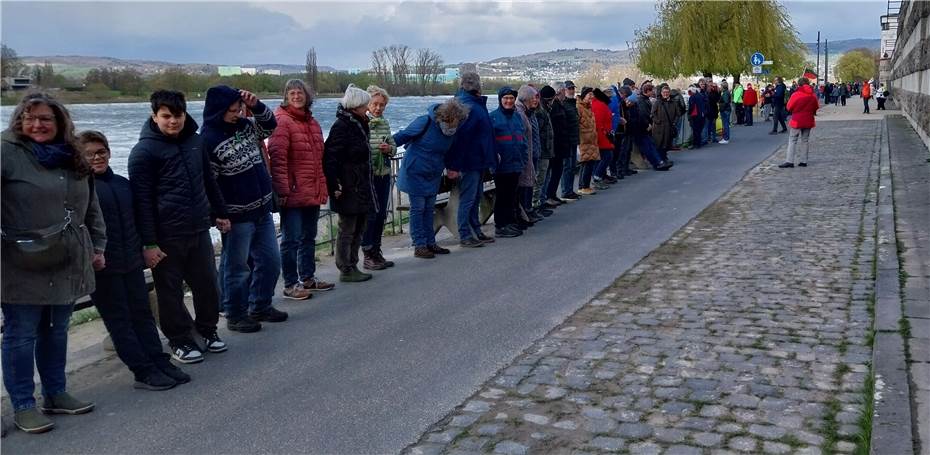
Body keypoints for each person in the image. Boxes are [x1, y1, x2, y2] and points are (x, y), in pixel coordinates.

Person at [2, 93, 104, 433]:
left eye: (45, 118)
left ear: (60, 121)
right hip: (20, 261)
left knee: (56, 330)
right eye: (29, 118)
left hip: (68, 259)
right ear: (19, 120)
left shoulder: (73, 156)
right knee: (21, 335)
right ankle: (23, 404)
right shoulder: (6, 153)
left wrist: (98, 245)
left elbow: (91, 207)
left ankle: (56, 393)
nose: (37, 125)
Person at [79, 130, 189, 391]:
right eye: (90, 154)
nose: (97, 158)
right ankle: (142, 370)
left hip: (130, 261)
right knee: (120, 321)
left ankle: (158, 360)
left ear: (109, 152)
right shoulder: (79, 189)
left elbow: (140, 220)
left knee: (142, 315)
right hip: (102, 267)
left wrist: (147, 247)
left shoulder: (121, 184)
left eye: (101, 152)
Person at [129, 90, 229, 364]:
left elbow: (209, 181)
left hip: (198, 229)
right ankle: (180, 340)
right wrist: (149, 243)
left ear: (185, 114)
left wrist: (220, 212)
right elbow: (142, 203)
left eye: (178, 115)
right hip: (166, 235)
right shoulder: (143, 152)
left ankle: (207, 331)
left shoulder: (195, 143)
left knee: (207, 284)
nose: (173, 121)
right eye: (166, 116)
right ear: (154, 116)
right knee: (169, 291)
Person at [201, 85, 285, 333]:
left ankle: (261, 304)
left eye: (239, 109)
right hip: (236, 215)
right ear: (218, 110)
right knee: (237, 268)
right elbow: (209, 183)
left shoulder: (247, 126)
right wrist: (218, 214)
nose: (237, 114)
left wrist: (256, 105)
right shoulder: (208, 139)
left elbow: (270, 126)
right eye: (232, 110)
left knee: (271, 261)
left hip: (262, 208)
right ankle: (236, 313)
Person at [267, 79, 334, 299]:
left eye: (300, 93)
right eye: (292, 93)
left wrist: (322, 187)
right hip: (293, 192)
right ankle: (290, 283)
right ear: (286, 97)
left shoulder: (312, 123)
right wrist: (283, 191)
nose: (296, 96)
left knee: (308, 237)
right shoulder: (281, 121)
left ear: (307, 96)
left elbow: (319, 160)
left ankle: (308, 277)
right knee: (290, 240)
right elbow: (277, 159)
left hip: (311, 190)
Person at [394, 98, 470, 256]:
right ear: (443, 117)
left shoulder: (454, 130)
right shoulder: (425, 122)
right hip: (415, 171)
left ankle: (430, 242)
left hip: (432, 174)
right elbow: (403, 136)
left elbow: (451, 152)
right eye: (450, 122)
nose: (452, 126)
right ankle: (419, 245)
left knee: (429, 209)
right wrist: (387, 146)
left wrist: (452, 168)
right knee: (418, 208)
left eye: (455, 123)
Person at [323, 85, 377, 281]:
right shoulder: (342, 126)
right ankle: (346, 267)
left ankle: (352, 264)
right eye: (365, 105)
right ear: (355, 106)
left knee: (359, 226)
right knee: (348, 228)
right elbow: (330, 158)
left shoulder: (358, 123)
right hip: (348, 185)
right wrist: (334, 184)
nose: (368, 109)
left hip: (359, 183)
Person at [445, 72, 496, 248]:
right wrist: (454, 165)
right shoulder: (468, 106)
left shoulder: (471, 103)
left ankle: (476, 230)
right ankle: (465, 234)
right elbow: (461, 139)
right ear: (477, 86)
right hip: (470, 161)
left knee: (474, 197)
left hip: (477, 159)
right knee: (468, 199)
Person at [361, 85, 400, 266]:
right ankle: (368, 253)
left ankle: (377, 250)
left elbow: (393, 146)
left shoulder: (384, 122)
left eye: (382, 105)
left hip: (383, 173)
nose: (378, 108)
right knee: (370, 215)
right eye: (375, 104)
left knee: (381, 214)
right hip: (368, 176)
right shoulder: (362, 122)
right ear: (367, 104)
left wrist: (389, 149)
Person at [489, 87, 526, 238]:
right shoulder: (493, 117)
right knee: (502, 195)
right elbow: (489, 142)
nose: (509, 101)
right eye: (506, 98)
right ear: (500, 99)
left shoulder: (517, 117)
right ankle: (500, 225)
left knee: (512, 195)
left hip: (516, 162)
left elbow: (522, 140)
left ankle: (510, 221)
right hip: (501, 164)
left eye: (511, 98)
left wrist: (523, 158)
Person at [622, 87, 673, 171]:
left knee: (650, 146)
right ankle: (658, 163)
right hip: (636, 130)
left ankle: (659, 162)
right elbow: (638, 118)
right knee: (647, 147)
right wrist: (646, 125)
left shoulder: (634, 105)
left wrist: (646, 125)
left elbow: (640, 117)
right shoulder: (633, 106)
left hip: (640, 129)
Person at [778, 77, 819, 168]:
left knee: (793, 140)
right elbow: (816, 107)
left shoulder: (796, 94)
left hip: (797, 119)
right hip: (808, 119)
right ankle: (803, 161)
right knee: (805, 140)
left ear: (799, 84)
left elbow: (789, 107)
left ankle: (790, 161)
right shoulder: (813, 95)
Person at [515, 85, 540, 223]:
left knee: (528, 183)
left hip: (529, 154)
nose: (535, 100)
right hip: (525, 156)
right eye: (533, 98)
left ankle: (526, 211)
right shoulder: (520, 113)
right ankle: (523, 213)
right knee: (524, 185)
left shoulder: (527, 112)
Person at [543, 83, 570, 207]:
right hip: (555, 145)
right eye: (564, 90)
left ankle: (551, 195)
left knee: (557, 171)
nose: (566, 92)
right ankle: (548, 196)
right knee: (553, 171)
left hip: (560, 143)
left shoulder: (559, 105)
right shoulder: (554, 106)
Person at [534, 87, 556, 215]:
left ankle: (541, 202)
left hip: (546, 149)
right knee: (540, 179)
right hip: (543, 150)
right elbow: (540, 133)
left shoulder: (544, 109)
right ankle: (537, 205)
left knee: (544, 178)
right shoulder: (541, 112)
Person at [559, 81, 582, 200]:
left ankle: (569, 190)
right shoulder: (564, 104)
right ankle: (566, 190)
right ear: (564, 90)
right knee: (567, 166)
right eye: (569, 88)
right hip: (567, 140)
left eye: (573, 88)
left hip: (574, 139)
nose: (572, 90)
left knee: (572, 166)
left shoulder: (573, 104)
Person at [576, 87, 600, 195]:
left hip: (591, 140)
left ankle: (585, 185)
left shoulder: (588, 107)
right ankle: (583, 186)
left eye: (592, 94)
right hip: (584, 139)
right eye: (589, 94)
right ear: (584, 95)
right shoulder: (579, 107)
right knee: (586, 163)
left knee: (589, 162)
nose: (591, 97)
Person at [592, 88, 615, 188]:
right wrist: (606, 133)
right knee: (607, 156)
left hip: (603, 134)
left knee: (604, 156)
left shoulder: (600, 104)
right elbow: (599, 122)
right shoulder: (600, 106)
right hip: (603, 135)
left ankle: (599, 176)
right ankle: (597, 177)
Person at [652, 85, 682, 160]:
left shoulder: (674, 102)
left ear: (669, 93)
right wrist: (657, 121)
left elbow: (678, 114)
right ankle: (661, 158)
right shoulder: (657, 102)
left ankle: (664, 156)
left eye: (667, 92)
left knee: (667, 143)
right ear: (661, 93)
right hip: (659, 127)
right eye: (664, 92)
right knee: (659, 143)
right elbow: (653, 114)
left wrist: (674, 122)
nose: (665, 94)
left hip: (669, 126)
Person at [718, 80, 732, 144]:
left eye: (720, 86)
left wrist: (721, 107)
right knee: (726, 124)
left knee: (725, 124)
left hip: (725, 110)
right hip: (726, 110)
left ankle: (726, 138)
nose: (720, 87)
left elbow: (726, 102)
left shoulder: (725, 93)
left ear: (723, 87)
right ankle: (726, 138)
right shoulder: (726, 92)